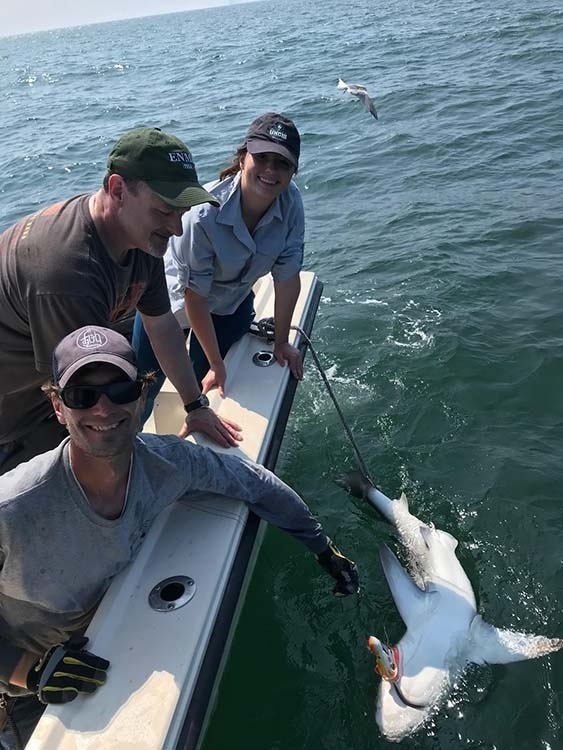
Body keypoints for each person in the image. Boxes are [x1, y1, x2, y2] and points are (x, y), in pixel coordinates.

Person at [0, 325, 358, 748]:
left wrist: (322, 547)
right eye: (82, 396)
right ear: (58, 407)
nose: (102, 408)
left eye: (119, 390)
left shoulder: (168, 463)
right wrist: (31, 670)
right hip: (19, 685)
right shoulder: (13, 506)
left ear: (141, 395)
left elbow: (255, 483)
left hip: (103, 643)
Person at [0, 127, 242, 476]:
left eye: (181, 212)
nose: (176, 229)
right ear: (117, 190)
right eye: (164, 211)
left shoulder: (137, 236)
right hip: (17, 412)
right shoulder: (68, 273)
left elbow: (161, 325)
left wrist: (195, 406)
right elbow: (84, 396)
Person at [133, 113, 305, 420]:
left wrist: (282, 343)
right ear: (242, 159)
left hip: (229, 302)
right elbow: (194, 297)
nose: (270, 170)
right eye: (262, 157)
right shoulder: (204, 214)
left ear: (293, 172)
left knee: (207, 388)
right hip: (172, 303)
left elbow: (288, 278)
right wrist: (216, 363)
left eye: (282, 163)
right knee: (142, 387)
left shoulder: (291, 203)